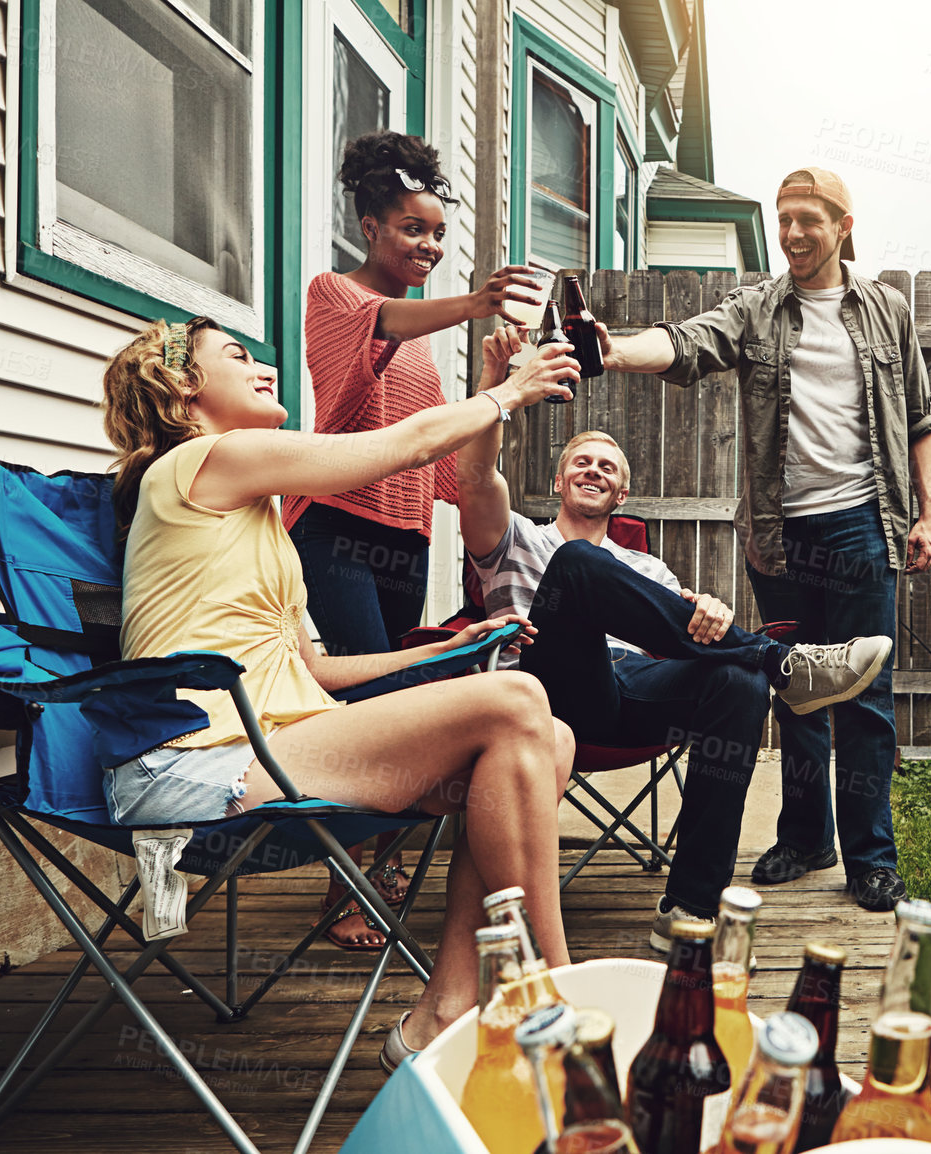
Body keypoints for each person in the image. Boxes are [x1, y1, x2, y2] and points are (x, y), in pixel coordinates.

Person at [101, 314, 582, 1067]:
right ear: (184, 390)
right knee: (517, 702)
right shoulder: (204, 461)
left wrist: (440, 651)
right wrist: (508, 396)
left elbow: (312, 673)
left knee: (549, 736)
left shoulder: (253, 510)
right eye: (238, 357)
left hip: (271, 747)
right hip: (189, 763)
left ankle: (443, 1012)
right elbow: (393, 449)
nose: (265, 368)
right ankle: (559, 993)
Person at [458, 331, 891, 946]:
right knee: (579, 563)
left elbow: (679, 634)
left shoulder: (651, 572)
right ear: (558, 481)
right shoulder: (516, 539)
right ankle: (781, 661)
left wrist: (709, 613)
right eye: (581, 461)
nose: (594, 469)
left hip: (624, 694)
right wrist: (497, 387)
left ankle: (689, 911)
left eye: (608, 466)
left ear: (622, 493)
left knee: (738, 683)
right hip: (540, 689)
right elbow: (475, 476)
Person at [592, 168, 931, 912]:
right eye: (784, 218)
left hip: (863, 520)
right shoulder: (757, 308)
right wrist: (614, 350)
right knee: (796, 691)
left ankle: (870, 856)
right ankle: (805, 835)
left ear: (844, 224)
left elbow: (919, 417)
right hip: (781, 536)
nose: (792, 233)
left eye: (807, 219)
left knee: (865, 698)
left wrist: (929, 513)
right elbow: (687, 343)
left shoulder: (887, 312)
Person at [284, 131, 548, 948]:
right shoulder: (335, 296)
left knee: (405, 700)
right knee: (370, 698)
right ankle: (345, 882)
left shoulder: (421, 336)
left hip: (401, 535)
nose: (428, 246)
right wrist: (474, 303)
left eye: (437, 233)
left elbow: (438, 456)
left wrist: (494, 396)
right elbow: (379, 326)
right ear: (369, 227)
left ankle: (379, 865)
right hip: (333, 525)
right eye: (411, 230)